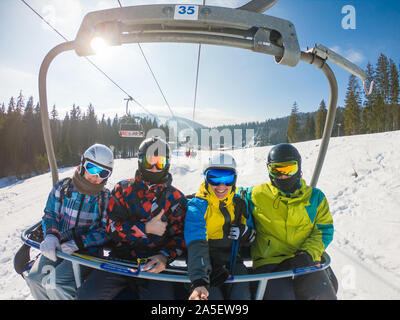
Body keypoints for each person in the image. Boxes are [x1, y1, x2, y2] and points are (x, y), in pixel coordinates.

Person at [77, 136, 187, 300]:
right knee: (88, 295)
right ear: (141, 161)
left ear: (168, 164)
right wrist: (145, 228)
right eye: (150, 162)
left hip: (154, 261)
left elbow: (180, 237)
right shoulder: (123, 190)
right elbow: (111, 227)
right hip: (121, 258)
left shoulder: (176, 199)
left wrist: (164, 255)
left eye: (161, 162)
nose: (155, 168)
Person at [239, 143, 337, 300]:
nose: (283, 176)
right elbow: (225, 195)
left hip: (304, 261)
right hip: (269, 262)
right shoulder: (256, 195)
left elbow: (323, 231)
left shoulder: (315, 197)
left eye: (289, 169)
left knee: (322, 295)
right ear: (269, 170)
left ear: (299, 168)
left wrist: (307, 255)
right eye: (276, 170)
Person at [25, 143, 114, 300]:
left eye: (103, 173)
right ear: (82, 165)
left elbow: (107, 230)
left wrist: (79, 243)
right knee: (35, 279)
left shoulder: (104, 197)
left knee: (56, 284)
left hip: (87, 252)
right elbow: (50, 214)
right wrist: (51, 235)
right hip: (59, 246)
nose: (95, 177)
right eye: (92, 169)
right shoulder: (63, 187)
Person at [184, 153, 256, 300]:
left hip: (233, 263)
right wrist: (200, 280)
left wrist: (245, 233)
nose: (221, 185)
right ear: (205, 178)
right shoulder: (197, 206)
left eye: (228, 179)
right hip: (206, 266)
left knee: (241, 295)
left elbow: (253, 237)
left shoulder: (239, 203)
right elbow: (196, 242)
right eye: (215, 178)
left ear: (234, 179)